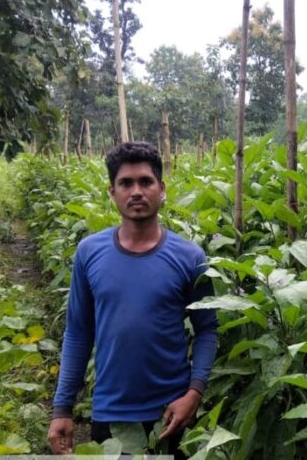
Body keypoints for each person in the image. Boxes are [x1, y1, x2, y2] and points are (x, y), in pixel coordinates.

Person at [47, 142, 218, 459]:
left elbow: (207, 329)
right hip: (111, 416)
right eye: (126, 183)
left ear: (162, 189)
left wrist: (194, 393)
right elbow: (78, 332)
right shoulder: (89, 253)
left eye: (145, 182)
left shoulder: (190, 257)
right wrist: (62, 408)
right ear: (112, 192)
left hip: (172, 413)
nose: (136, 191)